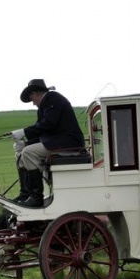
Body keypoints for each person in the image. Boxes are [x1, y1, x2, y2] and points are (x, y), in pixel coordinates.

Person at [11, 79, 85, 207]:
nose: (32, 102)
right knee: (20, 154)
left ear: (36, 93)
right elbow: (43, 132)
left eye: (31, 97)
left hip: (68, 143)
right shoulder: (47, 103)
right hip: (57, 141)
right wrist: (26, 143)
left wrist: (24, 132)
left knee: (28, 153)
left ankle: (36, 197)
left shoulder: (53, 99)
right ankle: (26, 194)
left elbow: (48, 125)